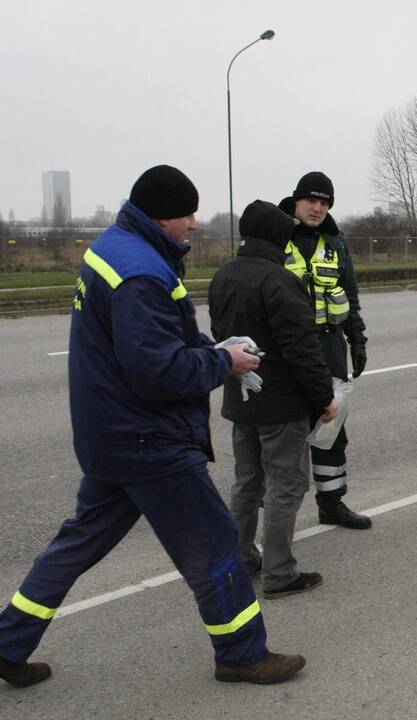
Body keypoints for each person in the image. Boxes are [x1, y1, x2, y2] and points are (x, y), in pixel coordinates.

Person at [0, 166, 304, 688]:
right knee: (213, 544)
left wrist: (208, 349)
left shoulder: (113, 248)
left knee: (77, 543)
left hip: (109, 432)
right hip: (149, 438)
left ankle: (6, 644)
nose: (192, 224)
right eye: (187, 215)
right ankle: (241, 653)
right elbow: (155, 370)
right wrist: (222, 364)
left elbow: (142, 352)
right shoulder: (142, 273)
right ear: (164, 217)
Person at [209, 200, 338, 599]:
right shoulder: (279, 281)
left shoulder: (223, 276)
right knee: (287, 485)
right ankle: (280, 573)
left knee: (247, 482)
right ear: (279, 237)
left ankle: (243, 559)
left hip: (242, 400)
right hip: (281, 405)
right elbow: (302, 349)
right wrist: (324, 398)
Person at [278, 172, 371, 530]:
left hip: (330, 345)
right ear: (296, 200)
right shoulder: (277, 235)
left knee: (332, 428)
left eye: (324, 202)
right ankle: (272, 517)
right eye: (310, 201)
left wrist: (357, 340)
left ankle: (331, 502)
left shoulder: (336, 241)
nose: (317, 208)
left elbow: (350, 295)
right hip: (287, 349)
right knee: (283, 432)